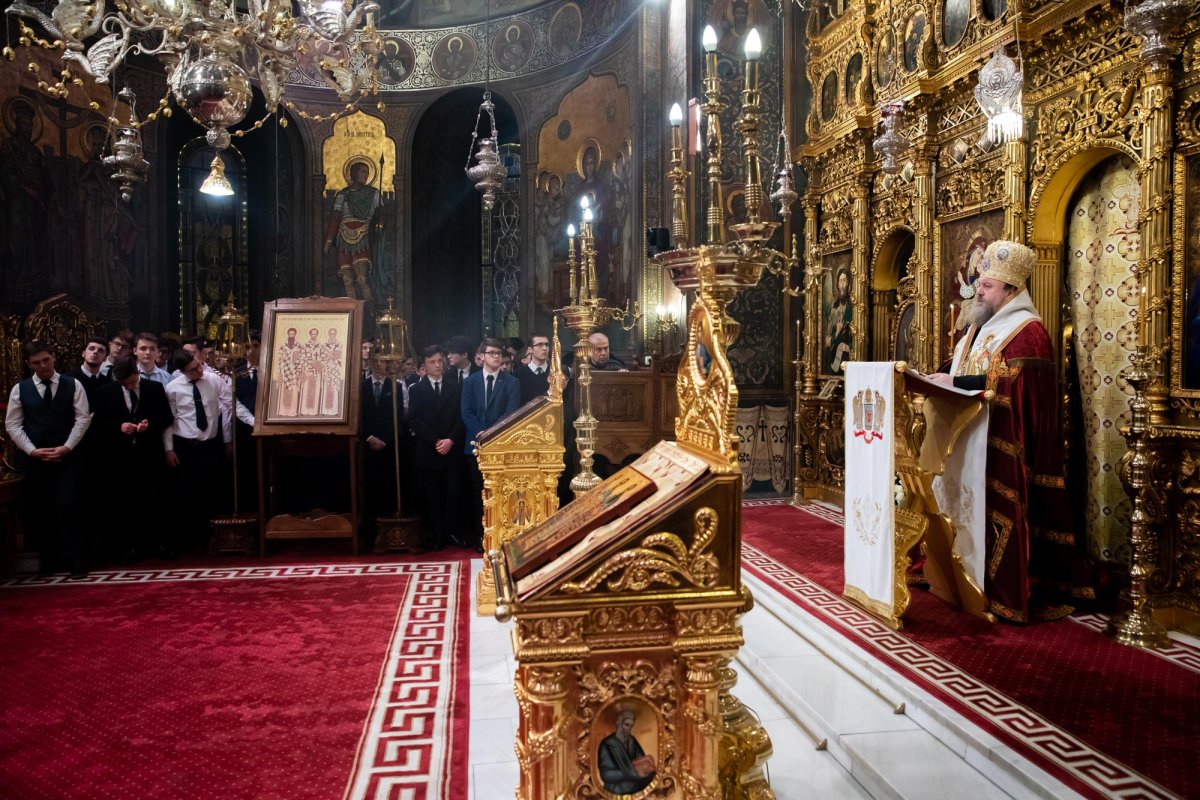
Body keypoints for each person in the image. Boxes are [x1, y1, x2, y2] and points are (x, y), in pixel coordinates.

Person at [925, 240, 1090, 622]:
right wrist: (938, 376)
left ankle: (997, 586)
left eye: (987, 285)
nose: (978, 291)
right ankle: (956, 573)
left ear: (1011, 290)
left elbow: (1014, 388)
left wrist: (957, 382)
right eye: (980, 283)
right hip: (968, 438)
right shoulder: (981, 327)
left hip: (1004, 443)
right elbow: (963, 368)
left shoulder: (1028, 332)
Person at [5, 341, 92, 578]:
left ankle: (76, 560)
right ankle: (48, 562)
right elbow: (13, 424)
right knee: (40, 509)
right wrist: (32, 450)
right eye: (36, 363)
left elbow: (83, 419)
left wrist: (66, 447)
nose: (42, 366)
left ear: (53, 357)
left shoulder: (73, 384)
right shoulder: (20, 389)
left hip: (68, 458)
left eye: (46, 360)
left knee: (68, 505)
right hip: (35, 459)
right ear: (28, 364)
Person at [93, 356, 172, 562]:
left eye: (131, 382)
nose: (128, 387)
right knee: (124, 503)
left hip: (149, 454)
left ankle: (157, 543)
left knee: (154, 500)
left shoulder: (154, 388)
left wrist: (149, 424)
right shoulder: (106, 392)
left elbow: (166, 417)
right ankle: (128, 547)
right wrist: (119, 426)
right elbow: (98, 422)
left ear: (137, 373)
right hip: (120, 457)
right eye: (123, 384)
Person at [164, 352, 232, 554]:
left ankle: (211, 538)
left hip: (210, 445)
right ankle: (190, 539)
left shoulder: (213, 380)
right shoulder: (172, 388)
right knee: (187, 492)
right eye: (193, 370)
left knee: (210, 490)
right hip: (185, 445)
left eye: (199, 365)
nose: (200, 371)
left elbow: (232, 404)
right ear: (183, 372)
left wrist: (254, 422)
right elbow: (169, 422)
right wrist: (169, 449)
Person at [461, 338, 521, 550]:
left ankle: (501, 535)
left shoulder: (511, 382)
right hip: (475, 444)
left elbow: (511, 412)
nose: (496, 356)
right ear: (481, 356)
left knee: (500, 492)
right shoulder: (470, 382)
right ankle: (482, 536)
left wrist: (491, 433)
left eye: (499, 353)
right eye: (492, 353)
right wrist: (481, 432)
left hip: (500, 444)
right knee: (479, 492)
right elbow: (466, 411)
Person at [407, 345, 465, 550]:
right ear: (424, 365)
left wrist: (450, 440)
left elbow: (461, 417)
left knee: (453, 492)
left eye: (440, 361)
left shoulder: (455, 387)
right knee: (433, 495)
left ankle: (452, 532)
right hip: (429, 450)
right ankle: (436, 535)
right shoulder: (417, 389)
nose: (438, 365)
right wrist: (435, 441)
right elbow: (414, 419)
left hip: (451, 448)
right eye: (432, 362)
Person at [324, 161, 383, 301]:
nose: (366, 175)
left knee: (362, 280)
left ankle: (369, 310)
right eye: (363, 172)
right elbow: (335, 218)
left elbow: (382, 213)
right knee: (348, 282)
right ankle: (353, 311)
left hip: (362, 239)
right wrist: (328, 242)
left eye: (367, 173)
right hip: (343, 240)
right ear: (354, 173)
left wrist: (380, 225)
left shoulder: (373, 194)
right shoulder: (342, 195)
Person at [597, 709, 655, 794]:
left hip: (636, 791)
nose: (628, 729)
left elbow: (641, 761)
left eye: (631, 726)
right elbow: (606, 774)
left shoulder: (632, 741)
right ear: (619, 723)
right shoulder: (607, 744)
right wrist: (632, 773)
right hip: (616, 792)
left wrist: (647, 769)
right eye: (626, 725)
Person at [70, 336, 112, 408]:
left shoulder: (108, 383)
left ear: (105, 358)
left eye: (100, 350)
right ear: (83, 353)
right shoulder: (68, 379)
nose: (95, 352)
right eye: (91, 348)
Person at [824, 268, 852, 374]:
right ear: (837, 285)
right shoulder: (833, 308)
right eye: (840, 281)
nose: (842, 284)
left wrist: (848, 348)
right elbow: (827, 341)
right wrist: (837, 333)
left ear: (848, 284)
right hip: (833, 358)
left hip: (845, 359)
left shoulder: (852, 309)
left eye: (844, 280)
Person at [517, 333, 552, 404]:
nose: (544, 348)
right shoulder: (519, 374)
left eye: (546, 345)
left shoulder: (554, 373)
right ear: (530, 349)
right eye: (539, 345)